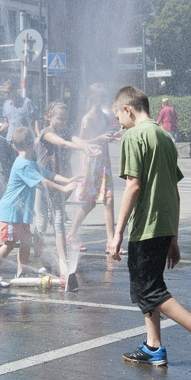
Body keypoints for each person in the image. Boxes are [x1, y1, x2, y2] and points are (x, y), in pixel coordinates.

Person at [110, 86, 191, 378]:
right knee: (150, 285)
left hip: (145, 226)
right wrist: (173, 236)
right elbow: (174, 190)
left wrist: (117, 232)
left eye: (118, 118)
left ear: (128, 109)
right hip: (163, 225)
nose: (119, 125)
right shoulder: (164, 136)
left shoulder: (133, 136)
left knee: (148, 289)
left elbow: (133, 185)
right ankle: (153, 346)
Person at [0, 127, 79, 287]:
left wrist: (67, 180)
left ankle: (21, 273)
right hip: (11, 213)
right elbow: (42, 181)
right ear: (32, 144)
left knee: (26, 242)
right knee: (9, 245)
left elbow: (49, 174)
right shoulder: (23, 165)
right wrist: (63, 188)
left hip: (21, 214)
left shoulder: (30, 163)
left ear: (14, 145)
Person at [33, 102, 91, 277]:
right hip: (43, 183)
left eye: (65, 119)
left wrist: (87, 144)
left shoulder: (65, 132)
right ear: (49, 117)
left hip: (60, 183)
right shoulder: (46, 132)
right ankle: (38, 259)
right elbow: (64, 144)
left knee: (58, 222)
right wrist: (82, 147)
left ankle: (63, 260)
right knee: (41, 223)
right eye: (59, 118)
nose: (63, 122)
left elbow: (74, 139)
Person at [67, 83, 121, 254]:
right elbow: (80, 142)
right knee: (90, 202)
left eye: (104, 96)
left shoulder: (103, 116)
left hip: (103, 161)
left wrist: (112, 137)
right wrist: (99, 137)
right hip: (91, 162)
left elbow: (103, 137)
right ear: (92, 98)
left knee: (109, 199)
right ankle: (71, 235)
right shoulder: (87, 118)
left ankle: (110, 241)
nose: (103, 99)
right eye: (100, 96)